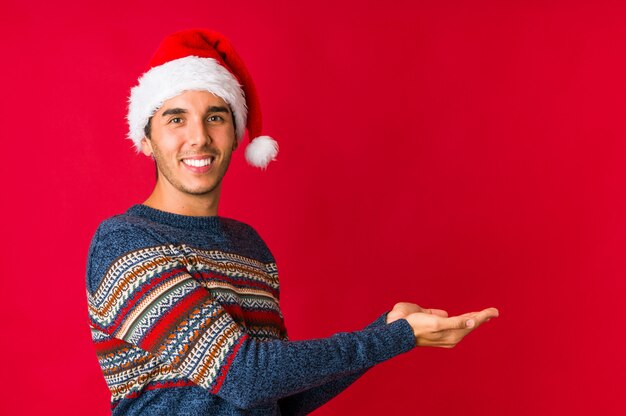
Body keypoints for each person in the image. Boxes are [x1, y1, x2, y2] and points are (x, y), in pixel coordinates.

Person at [85, 29, 499, 415]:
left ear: (235, 133)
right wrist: (393, 338)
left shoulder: (249, 245)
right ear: (145, 139)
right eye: (176, 119)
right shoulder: (126, 241)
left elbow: (277, 396)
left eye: (215, 117)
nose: (199, 137)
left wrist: (389, 327)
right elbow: (247, 375)